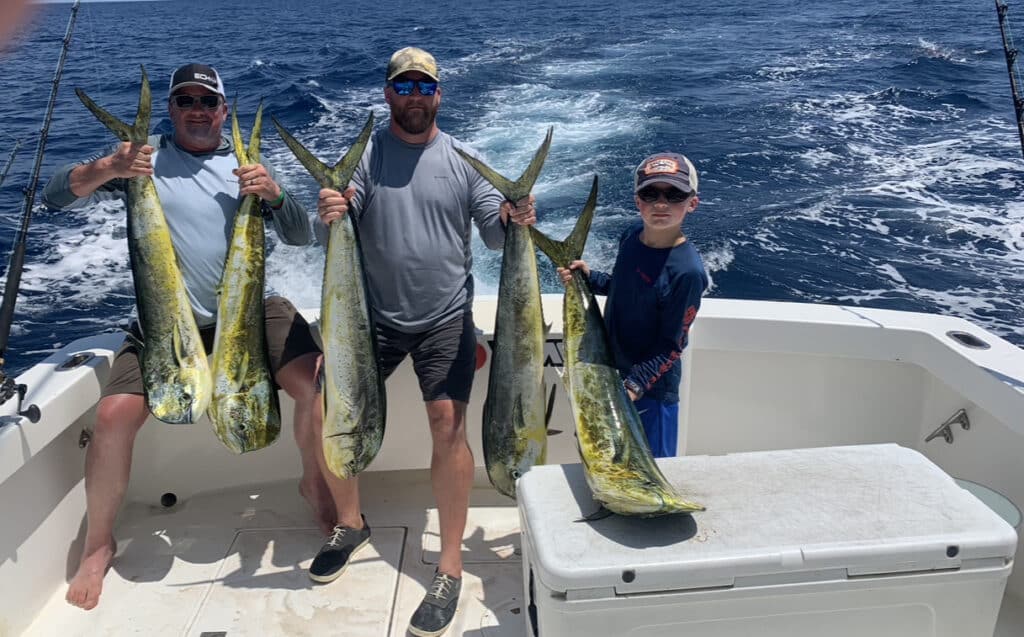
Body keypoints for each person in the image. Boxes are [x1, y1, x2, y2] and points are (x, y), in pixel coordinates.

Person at [41, 63, 333, 611]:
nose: (197, 110)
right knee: (111, 417)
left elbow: (300, 235)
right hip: (165, 319)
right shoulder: (140, 161)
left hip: (248, 309)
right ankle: (98, 544)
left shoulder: (245, 165)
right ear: (172, 111)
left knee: (317, 386)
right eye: (185, 101)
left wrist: (272, 193)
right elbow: (57, 196)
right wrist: (110, 165)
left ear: (223, 110)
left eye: (207, 101)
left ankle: (314, 484)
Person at [313, 46, 536, 637]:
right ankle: (350, 522)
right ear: (388, 94)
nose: (415, 96)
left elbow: (493, 238)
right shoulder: (364, 158)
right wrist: (331, 207)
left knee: (448, 427)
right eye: (404, 86)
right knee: (323, 410)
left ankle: (450, 566)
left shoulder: (464, 161)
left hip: (443, 319)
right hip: (371, 319)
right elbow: (338, 216)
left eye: (424, 87)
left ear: (439, 94)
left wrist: (516, 217)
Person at [557, 152, 708, 458]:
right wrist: (590, 278)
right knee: (606, 460)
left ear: (692, 203)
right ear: (638, 202)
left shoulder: (688, 272)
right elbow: (624, 288)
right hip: (610, 371)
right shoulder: (631, 237)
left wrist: (635, 385)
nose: (661, 203)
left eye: (674, 194)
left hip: (650, 393)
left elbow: (672, 345)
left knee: (654, 472)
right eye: (650, 194)